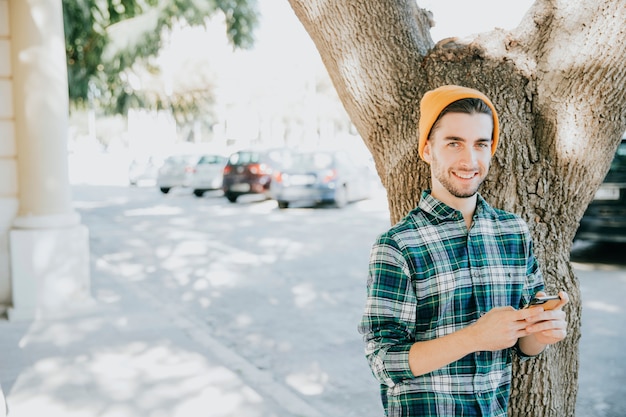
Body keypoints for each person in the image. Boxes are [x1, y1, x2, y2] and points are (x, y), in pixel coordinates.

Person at [358, 85, 569, 417]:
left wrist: (541, 332)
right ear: (428, 149)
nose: (469, 160)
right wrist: (474, 337)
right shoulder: (397, 245)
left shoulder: (513, 231)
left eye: (480, 144)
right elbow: (384, 362)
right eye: (454, 143)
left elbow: (523, 345)